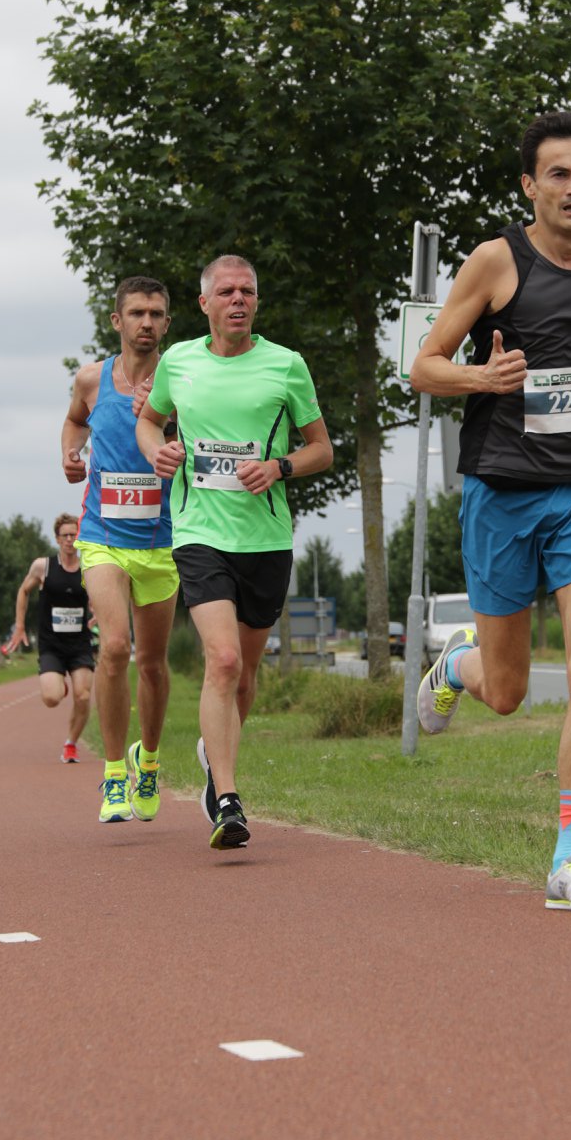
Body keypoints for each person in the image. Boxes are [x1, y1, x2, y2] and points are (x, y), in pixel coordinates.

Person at [409, 110, 571, 913]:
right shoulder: (496, 261)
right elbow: (423, 368)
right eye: (559, 174)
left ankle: (569, 861)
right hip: (502, 490)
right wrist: (482, 381)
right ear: (530, 185)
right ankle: (458, 664)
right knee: (510, 690)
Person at [135, 254, 333, 850]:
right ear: (205, 304)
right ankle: (226, 798)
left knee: (244, 673)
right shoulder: (179, 361)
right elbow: (150, 422)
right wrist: (157, 452)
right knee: (221, 661)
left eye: (247, 291)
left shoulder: (286, 366)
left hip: (265, 539)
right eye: (226, 292)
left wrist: (280, 466)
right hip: (197, 530)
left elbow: (321, 447)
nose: (238, 300)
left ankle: (212, 756)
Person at [62, 276, 180, 824]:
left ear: (168, 322)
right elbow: (74, 421)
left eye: (156, 314)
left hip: (162, 542)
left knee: (152, 664)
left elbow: (208, 437)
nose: (147, 323)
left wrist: (171, 419)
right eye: (136, 313)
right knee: (113, 647)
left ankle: (148, 762)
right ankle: (113, 775)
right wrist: (71, 454)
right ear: (117, 321)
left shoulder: (182, 380)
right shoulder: (91, 379)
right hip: (102, 536)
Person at [7, 513, 95, 763]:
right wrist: (20, 626)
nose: (69, 539)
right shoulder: (42, 566)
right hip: (51, 646)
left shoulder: (88, 567)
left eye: (73, 534)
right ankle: (60, 684)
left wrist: (97, 614)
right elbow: (23, 591)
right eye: (65, 535)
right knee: (51, 698)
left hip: (79, 645)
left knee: (84, 696)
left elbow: (99, 598)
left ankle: (71, 743)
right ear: (57, 539)